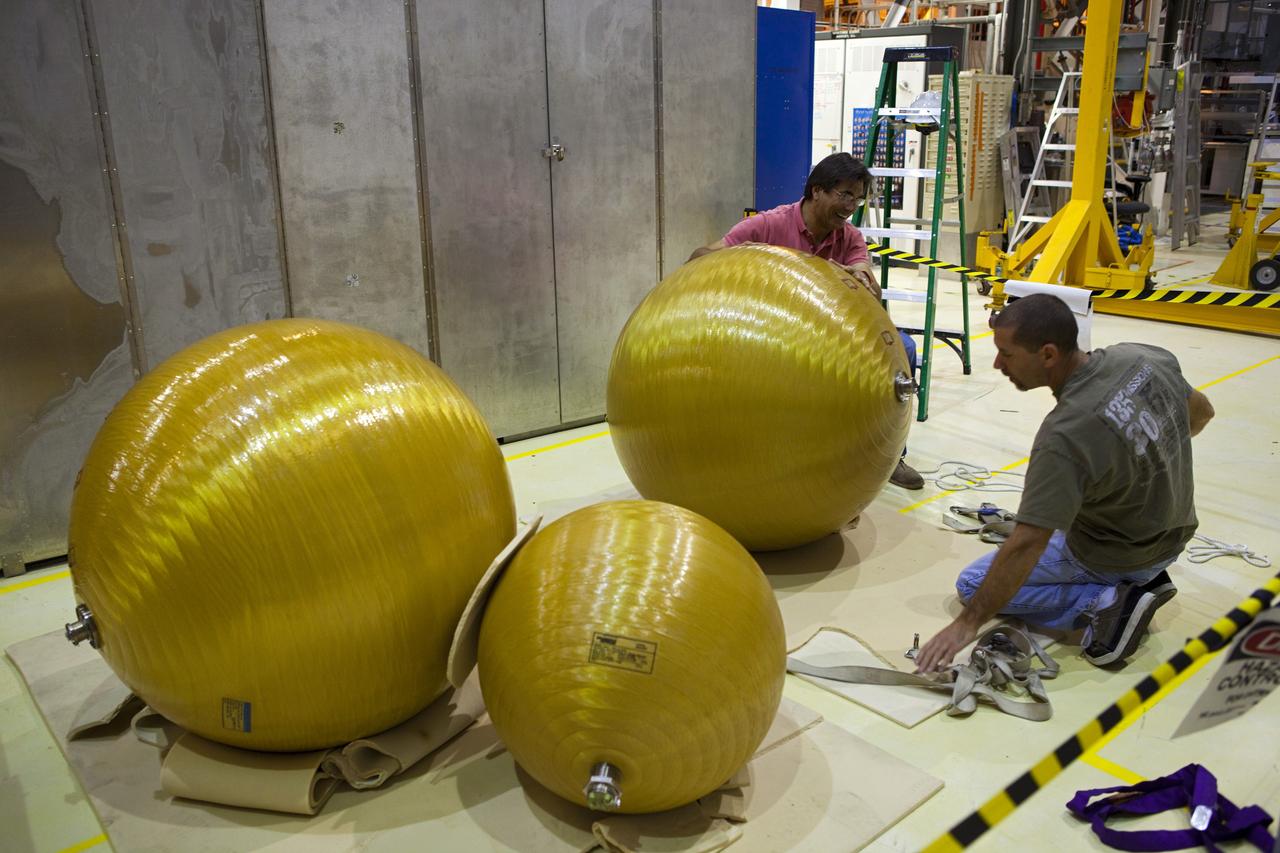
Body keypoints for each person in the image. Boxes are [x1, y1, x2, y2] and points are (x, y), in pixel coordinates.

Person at [915, 294, 1215, 672]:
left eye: (1006, 354)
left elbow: (1027, 544)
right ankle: (1134, 582)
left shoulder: (1065, 437)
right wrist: (1141, 457)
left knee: (973, 585)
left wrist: (966, 625)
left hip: (1115, 555)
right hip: (1175, 536)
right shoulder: (1141, 357)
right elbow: (1202, 413)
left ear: (1048, 354)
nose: (996, 364)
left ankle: (1110, 603)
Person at [688, 152, 925, 490]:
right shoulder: (769, 225)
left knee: (902, 348)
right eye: (844, 195)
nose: (851, 206)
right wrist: (747, 257)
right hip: (770, 334)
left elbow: (868, 284)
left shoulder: (850, 237)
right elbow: (698, 259)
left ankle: (890, 455)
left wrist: (861, 280)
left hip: (831, 334)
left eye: (858, 198)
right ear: (817, 191)